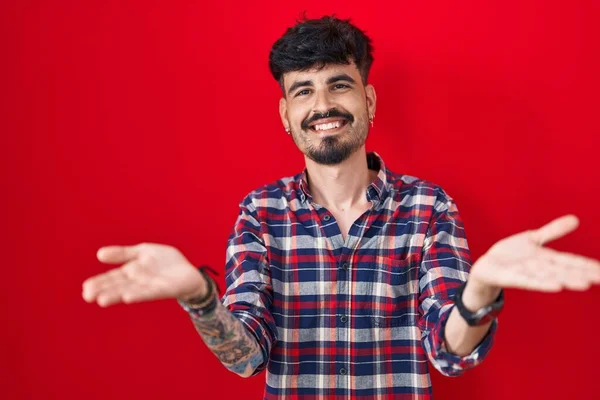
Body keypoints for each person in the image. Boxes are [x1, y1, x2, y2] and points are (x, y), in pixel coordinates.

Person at [81, 15, 600, 399]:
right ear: (286, 114)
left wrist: (481, 287)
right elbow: (247, 358)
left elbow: (449, 354)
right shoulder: (259, 213)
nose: (322, 105)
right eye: (303, 91)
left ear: (369, 101)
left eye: (339, 84)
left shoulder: (428, 206)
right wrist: (199, 296)